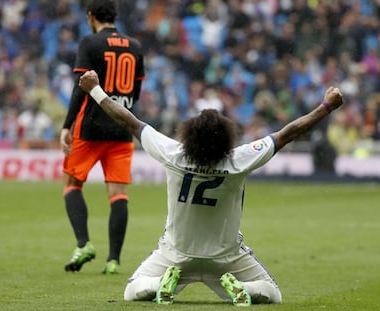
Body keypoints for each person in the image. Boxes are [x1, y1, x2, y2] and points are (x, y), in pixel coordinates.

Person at [79, 70, 344, 306]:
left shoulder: (174, 153)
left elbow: (129, 121)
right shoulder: (239, 159)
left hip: (175, 255)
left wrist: (94, 89)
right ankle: (242, 288)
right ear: (227, 135)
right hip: (226, 259)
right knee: (272, 293)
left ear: (190, 132)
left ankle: (161, 285)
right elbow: (288, 133)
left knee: (132, 290)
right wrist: (326, 107)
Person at [60, 0, 145, 274]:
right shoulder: (136, 46)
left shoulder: (90, 43)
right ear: (115, 16)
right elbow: (136, 92)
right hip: (122, 128)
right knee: (118, 193)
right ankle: (114, 260)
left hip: (91, 127)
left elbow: (81, 87)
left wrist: (67, 125)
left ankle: (84, 244)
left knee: (72, 182)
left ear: (90, 16)